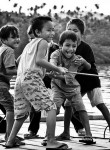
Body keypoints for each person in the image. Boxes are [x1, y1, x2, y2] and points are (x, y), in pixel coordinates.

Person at [4, 16, 69, 149]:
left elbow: (22, 63)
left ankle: (10, 140)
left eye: (53, 30)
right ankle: (51, 140)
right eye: (48, 30)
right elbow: (39, 61)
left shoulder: (28, 45)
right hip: (31, 79)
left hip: (20, 81)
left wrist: (46, 72)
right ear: (38, 32)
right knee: (51, 107)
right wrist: (57, 68)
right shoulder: (43, 42)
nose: (52, 33)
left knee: (22, 114)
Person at [57, 18, 110, 142]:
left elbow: (89, 65)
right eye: (69, 30)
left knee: (99, 103)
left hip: (91, 79)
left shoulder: (85, 48)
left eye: (75, 31)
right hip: (77, 81)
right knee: (68, 105)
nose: (72, 33)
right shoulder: (66, 47)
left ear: (81, 33)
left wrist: (83, 61)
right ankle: (66, 132)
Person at [49, 30, 95, 145]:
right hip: (57, 87)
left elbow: (69, 77)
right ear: (60, 45)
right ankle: (49, 136)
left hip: (73, 88)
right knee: (53, 108)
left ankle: (88, 135)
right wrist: (54, 70)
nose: (71, 49)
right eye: (67, 45)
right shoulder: (55, 54)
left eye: (74, 46)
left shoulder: (76, 59)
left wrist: (56, 73)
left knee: (81, 108)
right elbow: (52, 65)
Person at [23, 24, 59, 139]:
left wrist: (55, 71)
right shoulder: (31, 48)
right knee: (35, 105)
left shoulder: (54, 48)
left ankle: (79, 127)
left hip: (53, 80)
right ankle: (33, 131)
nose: (33, 41)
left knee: (62, 102)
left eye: (34, 38)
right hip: (37, 79)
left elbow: (57, 64)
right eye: (31, 39)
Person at [0, 25, 19, 142]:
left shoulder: (2, 49)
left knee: (10, 107)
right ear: (4, 40)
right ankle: (9, 137)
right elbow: (9, 70)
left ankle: (10, 135)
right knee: (11, 108)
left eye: (17, 36)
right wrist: (23, 70)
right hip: (1, 85)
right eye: (13, 37)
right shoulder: (9, 50)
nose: (17, 39)